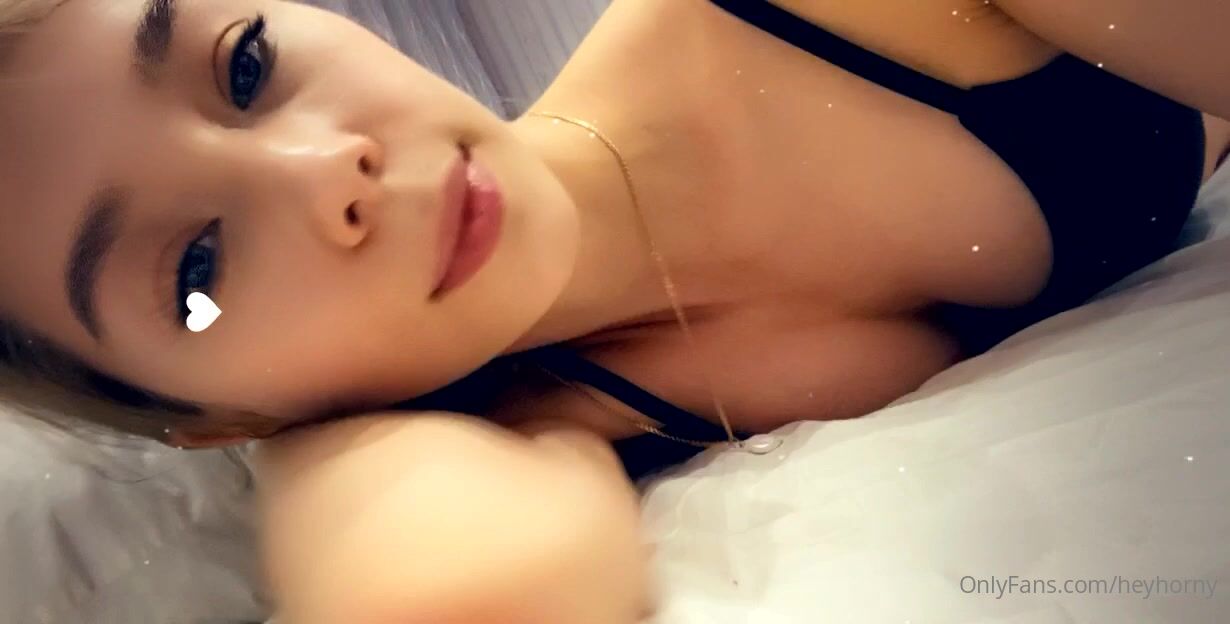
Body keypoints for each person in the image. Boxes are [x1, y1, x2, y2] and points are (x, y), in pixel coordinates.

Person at [3, 0, 1229, 621]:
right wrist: (317, 449)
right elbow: (465, 596)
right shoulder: (499, 424)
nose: (328, 172)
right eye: (199, 269)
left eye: (246, 66)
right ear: (212, 420)